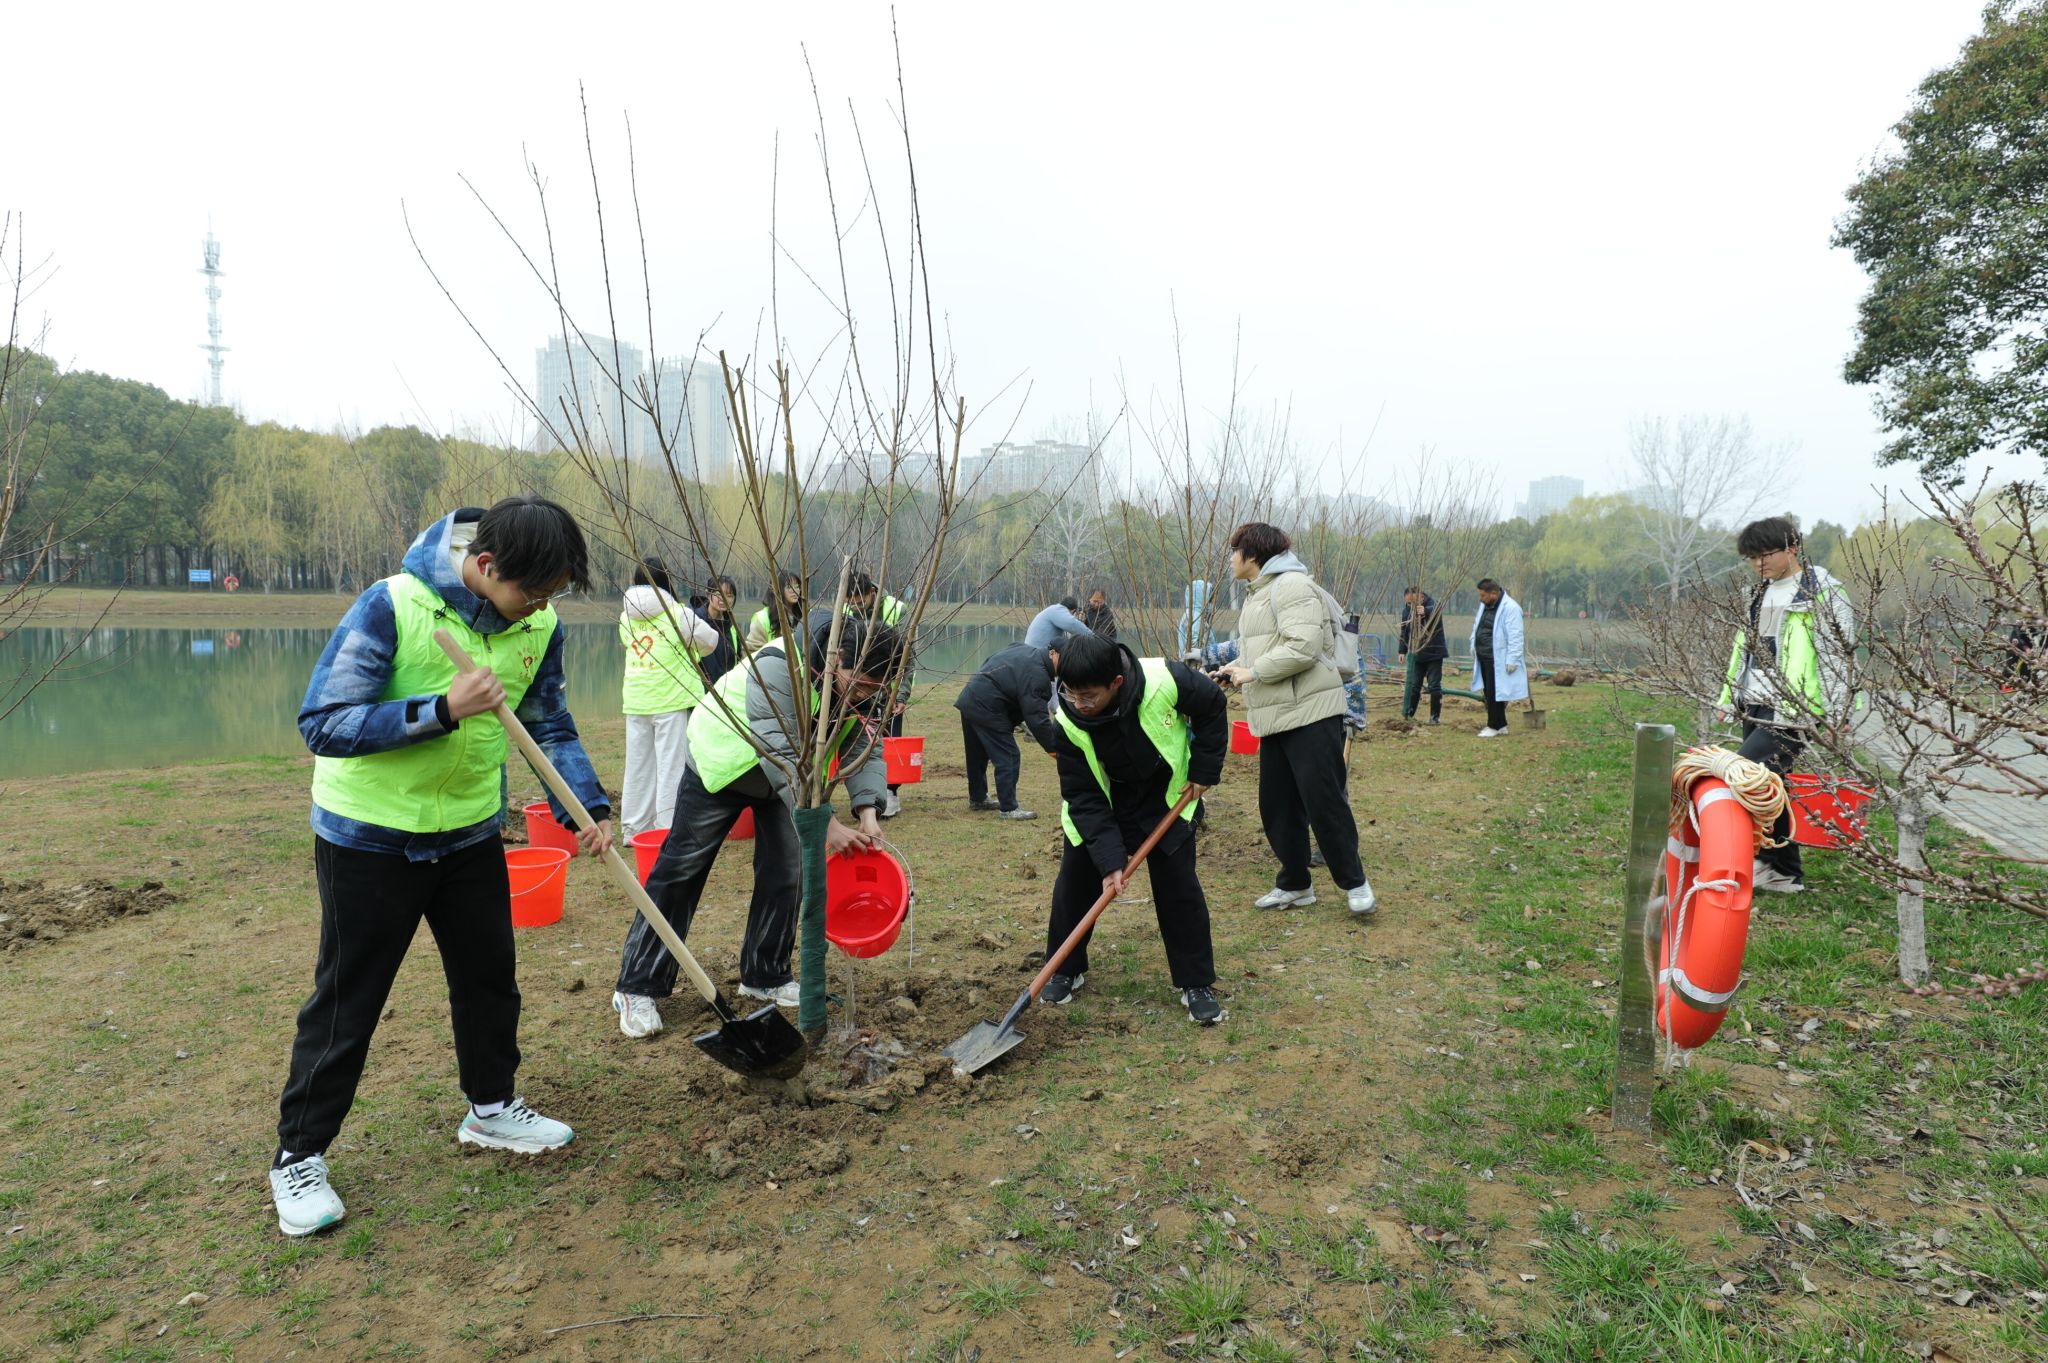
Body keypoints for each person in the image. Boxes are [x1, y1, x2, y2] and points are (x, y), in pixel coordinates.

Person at [269, 496, 610, 1238]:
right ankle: (299, 1155)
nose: (543, 606)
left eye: (554, 593)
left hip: (469, 832)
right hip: (370, 838)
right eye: (534, 591)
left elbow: (548, 720)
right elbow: (323, 722)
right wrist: (442, 708)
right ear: (485, 565)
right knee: (348, 998)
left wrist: (588, 804)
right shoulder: (393, 605)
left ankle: (491, 1108)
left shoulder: (539, 625)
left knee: (489, 979)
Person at [611, 616, 903, 1037]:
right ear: (839, 657)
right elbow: (779, 751)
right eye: (859, 686)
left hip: (787, 783)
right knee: (681, 870)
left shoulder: (864, 687)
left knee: (787, 872)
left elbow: (863, 745)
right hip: (723, 761)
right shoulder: (781, 667)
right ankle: (637, 986)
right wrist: (826, 825)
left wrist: (868, 812)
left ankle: (765, 975)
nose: (863, 696)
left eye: (873, 690)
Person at [1043, 633, 1228, 1023]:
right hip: (1103, 798)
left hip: (1165, 796)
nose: (1078, 703)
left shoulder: (1163, 679)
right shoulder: (1067, 721)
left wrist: (1204, 768)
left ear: (1116, 682)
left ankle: (1195, 982)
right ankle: (1064, 968)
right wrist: (1110, 861)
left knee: (1178, 886)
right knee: (1075, 882)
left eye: (1089, 696)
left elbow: (1212, 704)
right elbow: (1083, 795)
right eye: (1071, 693)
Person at [1213, 522, 1377, 916]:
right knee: (1278, 806)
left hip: (1310, 713)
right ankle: (1295, 884)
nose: (1231, 559)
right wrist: (1233, 669)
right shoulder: (1259, 593)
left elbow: (1303, 647)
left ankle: (1355, 882)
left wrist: (1253, 672)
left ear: (1253, 554)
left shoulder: (1292, 586)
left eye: (1235, 551)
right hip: (1276, 715)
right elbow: (1263, 650)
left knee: (1324, 802)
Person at [1716, 516, 1857, 895]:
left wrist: (1840, 708)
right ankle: (1783, 871)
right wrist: (1728, 695)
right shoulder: (1757, 593)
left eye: (1765, 555)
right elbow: (1743, 650)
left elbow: (1837, 654)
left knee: (1746, 774)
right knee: (1773, 782)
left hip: (1796, 707)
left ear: (1792, 549)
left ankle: (1762, 860)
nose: (1757, 564)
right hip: (1755, 700)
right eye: (1751, 558)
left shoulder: (1823, 593)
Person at [619, 558, 719, 839]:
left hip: (636, 699)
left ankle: (633, 829)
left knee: (638, 766)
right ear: (666, 580)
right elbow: (710, 640)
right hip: (670, 699)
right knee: (670, 766)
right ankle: (666, 828)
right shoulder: (678, 614)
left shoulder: (626, 616)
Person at [954, 640, 1062, 819]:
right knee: (1009, 755)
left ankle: (978, 798)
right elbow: (1037, 720)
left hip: (971, 697)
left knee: (977, 754)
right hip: (988, 707)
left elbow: (991, 660)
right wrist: (1055, 749)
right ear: (1053, 653)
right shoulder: (1038, 674)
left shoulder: (1024, 650)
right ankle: (1009, 808)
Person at [846, 569, 914, 818]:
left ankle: (890, 792)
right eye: (851, 603)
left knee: (890, 739)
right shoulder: (846, 612)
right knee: (858, 740)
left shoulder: (897, 610)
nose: (855, 607)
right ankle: (864, 793)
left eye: (859, 601)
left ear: (872, 593)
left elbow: (907, 657)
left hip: (889, 688)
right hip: (858, 689)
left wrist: (900, 695)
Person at [1469, 578, 1525, 737]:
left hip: (1497, 657)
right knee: (1490, 692)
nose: (1480, 599)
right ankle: (1501, 725)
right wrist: (1473, 643)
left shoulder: (1511, 608)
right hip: (1484, 655)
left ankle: (1493, 726)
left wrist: (1513, 659)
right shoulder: (1485, 606)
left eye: (1483, 595)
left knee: (1495, 692)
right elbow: (1477, 626)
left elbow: (1516, 635)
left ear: (1493, 593)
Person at [1398, 587, 1448, 725]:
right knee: (1414, 686)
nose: (1410, 605)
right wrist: (1402, 651)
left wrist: (1425, 611)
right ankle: (1409, 713)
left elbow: (1437, 610)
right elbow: (1404, 632)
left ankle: (1434, 717)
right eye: (1408, 603)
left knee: (1434, 686)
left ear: (1420, 597)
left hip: (1434, 653)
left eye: (1412, 602)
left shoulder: (1432, 604)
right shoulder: (1406, 611)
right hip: (1416, 654)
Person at [699, 574, 745, 686]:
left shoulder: (731, 626)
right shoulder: (696, 622)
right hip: (702, 689)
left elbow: (738, 658)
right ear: (708, 594)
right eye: (719, 594)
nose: (724, 599)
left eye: (729, 595)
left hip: (728, 688)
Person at [746, 570, 807, 653]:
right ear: (777, 590)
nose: (794, 590)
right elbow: (753, 651)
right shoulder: (762, 618)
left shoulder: (807, 615)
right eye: (789, 587)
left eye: (797, 587)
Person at [1024, 597, 1093, 648]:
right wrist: (1093, 637)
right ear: (1073, 610)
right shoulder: (1058, 610)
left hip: (1031, 651)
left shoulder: (1053, 609)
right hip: (1037, 653)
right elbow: (1073, 624)